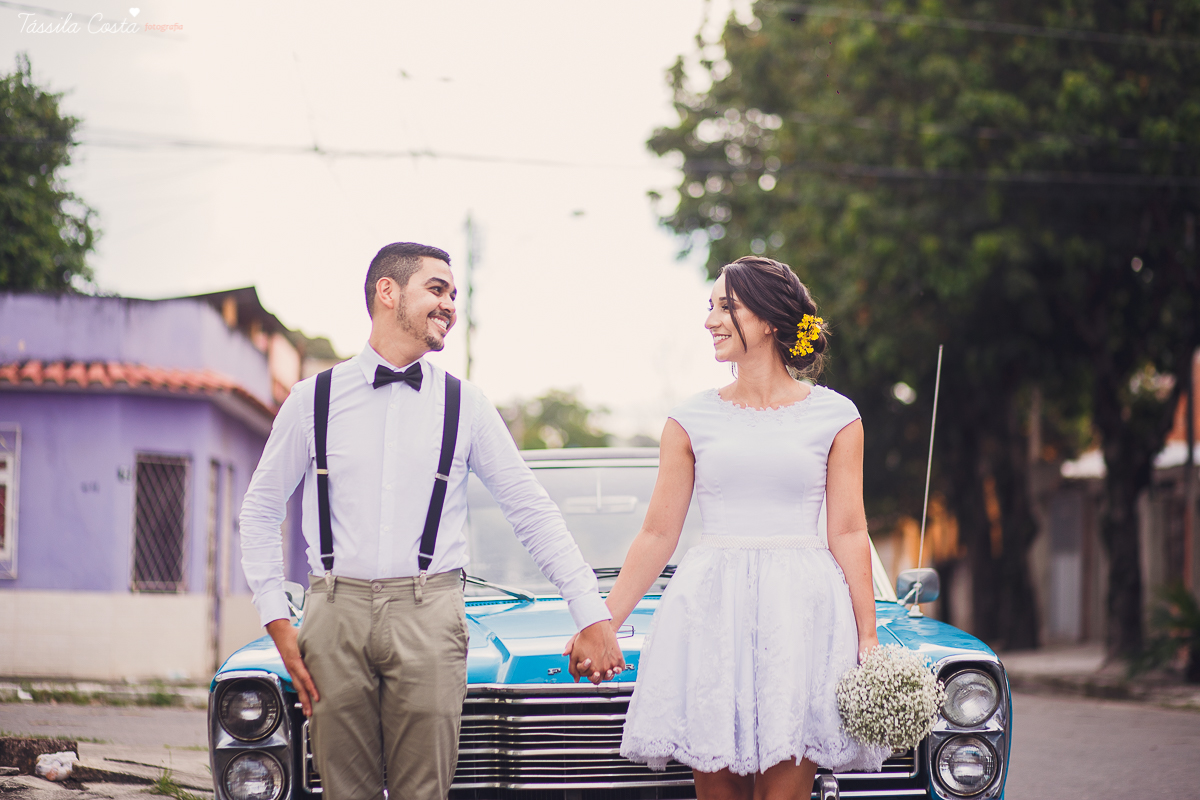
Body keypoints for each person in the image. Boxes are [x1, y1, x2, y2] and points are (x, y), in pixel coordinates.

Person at [240, 242, 625, 800]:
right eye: (436, 289)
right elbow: (260, 509)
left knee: (426, 793)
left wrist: (591, 612)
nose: (449, 304)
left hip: (430, 611)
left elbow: (531, 510)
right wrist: (276, 616)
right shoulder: (311, 400)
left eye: (452, 293)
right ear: (388, 292)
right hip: (332, 611)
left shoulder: (465, 404)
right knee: (344, 793)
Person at [569, 256, 889, 799]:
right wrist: (601, 623)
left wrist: (867, 635)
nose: (711, 319)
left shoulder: (836, 417)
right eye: (711, 306)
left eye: (726, 306)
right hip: (711, 614)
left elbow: (849, 533)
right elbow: (656, 535)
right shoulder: (689, 419)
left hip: (801, 618)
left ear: (768, 321)